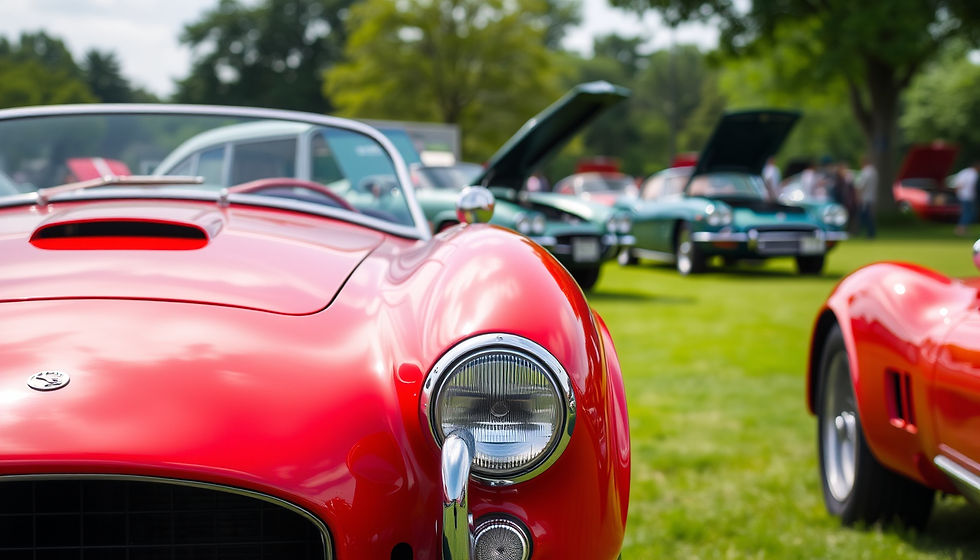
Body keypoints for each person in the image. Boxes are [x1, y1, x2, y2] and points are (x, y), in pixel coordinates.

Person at [953, 160, 980, 236]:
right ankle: (961, 229)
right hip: (967, 196)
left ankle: (962, 229)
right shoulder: (972, 174)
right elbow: (970, 186)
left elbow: (958, 185)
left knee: (966, 213)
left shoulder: (964, 172)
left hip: (963, 196)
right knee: (968, 213)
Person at [854, 156, 877, 238]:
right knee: (869, 216)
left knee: (865, 217)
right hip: (871, 197)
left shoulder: (866, 172)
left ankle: (866, 233)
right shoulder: (874, 171)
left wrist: (857, 196)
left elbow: (861, 185)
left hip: (865, 198)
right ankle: (870, 233)